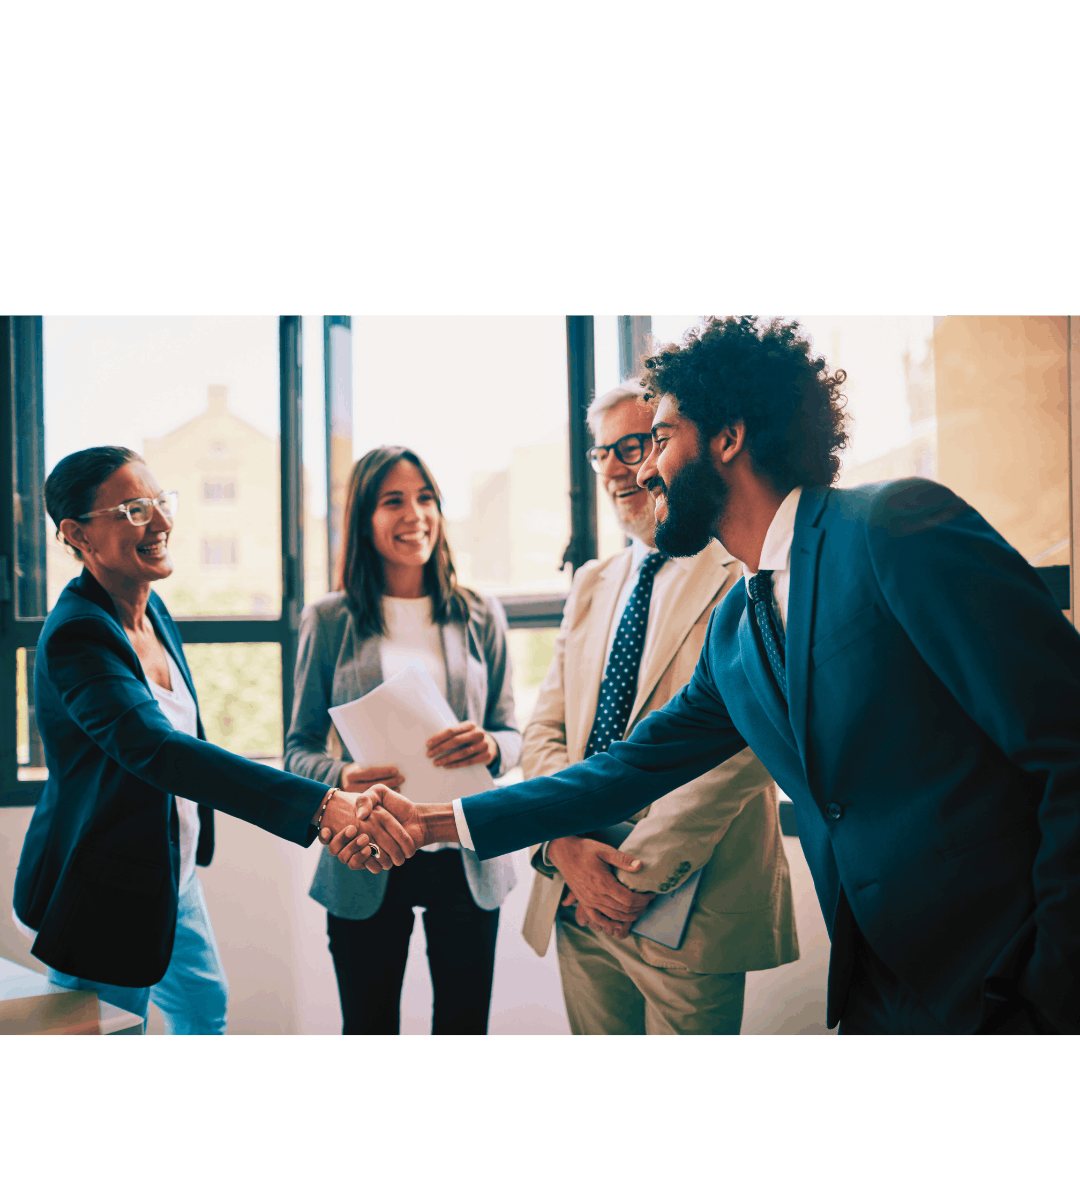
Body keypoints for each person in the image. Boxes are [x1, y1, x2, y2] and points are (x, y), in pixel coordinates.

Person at [330, 316, 1080, 1037]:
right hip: (880, 991)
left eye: (658, 439)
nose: (644, 469)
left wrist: (1054, 983)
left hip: (1006, 975)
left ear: (728, 437)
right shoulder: (738, 629)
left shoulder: (893, 528)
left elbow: (1067, 745)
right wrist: (433, 823)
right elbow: (622, 772)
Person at [14, 446, 384, 1035]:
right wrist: (318, 804)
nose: (161, 522)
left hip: (168, 870)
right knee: (107, 1027)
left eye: (160, 502)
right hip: (103, 883)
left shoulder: (150, 608)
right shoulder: (77, 637)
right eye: (134, 510)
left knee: (204, 1010)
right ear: (77, 534)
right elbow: (158, 751)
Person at [520, 379, 797, 1035]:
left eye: (634, 445)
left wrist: (634, 880)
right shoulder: (592, 581)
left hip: (688, 906)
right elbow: (545, 730)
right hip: (575, 893)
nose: (618, 468)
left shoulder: (743, 567)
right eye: (602, 453)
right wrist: (563, 846)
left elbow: (746, 745)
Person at [285, 446, 521, 1036]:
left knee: (464, 1026)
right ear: (364, 518)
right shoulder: (330, 619)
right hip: (366, 850)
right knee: (368, 1026)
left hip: (463, 849)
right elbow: (296, 747)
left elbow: (514, 732)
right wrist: (339, 777)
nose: (414, 513)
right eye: (393, 501)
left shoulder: (479, 613)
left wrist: (491, 748)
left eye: (425, 498)